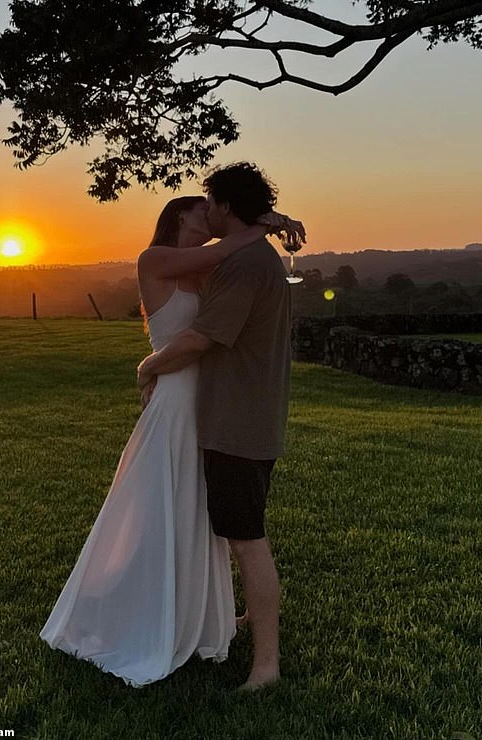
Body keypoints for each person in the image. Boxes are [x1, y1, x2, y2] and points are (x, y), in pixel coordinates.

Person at [40, 195, 300, 687]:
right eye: (205, 211)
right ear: (180, 217)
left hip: (212, 403)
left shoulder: (209, 271)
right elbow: (227, 251)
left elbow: (228, 278)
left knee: (200, 513)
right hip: (177, 398)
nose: (214, 220)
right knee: (162, 504)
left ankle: (198, 614)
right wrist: (268, 222)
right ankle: (143, 610)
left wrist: (265, 225)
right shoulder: (155, 259)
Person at [137, 162, 302, 691]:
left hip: (235, 422)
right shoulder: (252, 258)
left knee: (246, 539)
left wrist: (147, 365)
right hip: (241, 415)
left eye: (210, 204)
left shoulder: (243, 264)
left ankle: (266, 666)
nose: (205, 212)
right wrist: (266, 221)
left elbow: (201, 339)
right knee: (229, 529)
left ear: (225, 207)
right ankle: (235, 621)